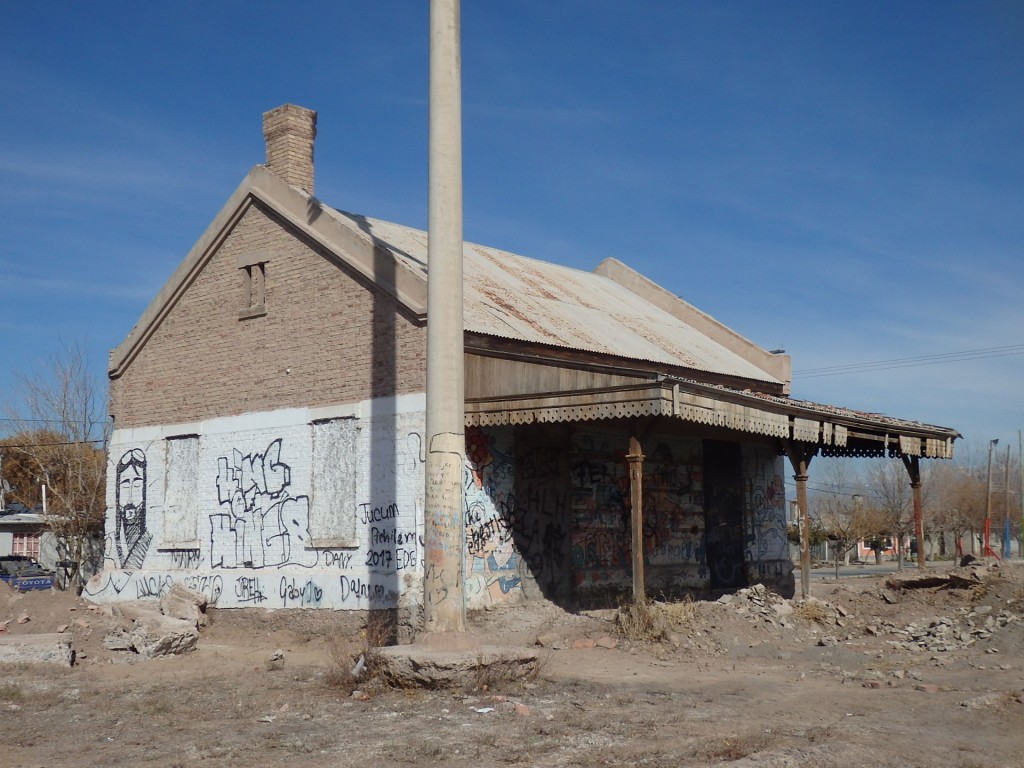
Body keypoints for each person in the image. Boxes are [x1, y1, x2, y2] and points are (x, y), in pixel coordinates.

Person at [115, 448, 152, 568]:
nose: (130, 499)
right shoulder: (113, 539)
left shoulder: (148, 538)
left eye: (136, 485)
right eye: (125, 485)